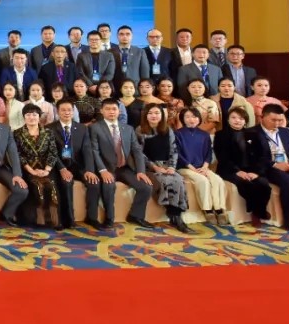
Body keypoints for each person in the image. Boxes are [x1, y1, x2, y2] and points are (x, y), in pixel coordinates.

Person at [90, 99, 155, 229]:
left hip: (124, 168)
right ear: (102, 111)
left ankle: (136, 216)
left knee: (146, 187)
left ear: (119, 111)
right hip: (107, 168)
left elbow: (137, 151)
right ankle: (109, 218)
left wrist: (141, 171)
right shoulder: (95, 128)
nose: (111, 112)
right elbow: (94, 151)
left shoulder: (128, 129)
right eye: (107, 109)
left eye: (114, 109)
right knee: (109, 186)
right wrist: (102, 171)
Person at [49, 99, 107, 229]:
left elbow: (87, 150)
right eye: (63, 110)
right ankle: (68, 220)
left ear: (73, 111)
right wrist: (62, 169)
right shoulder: (50, 128)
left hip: (78, 166)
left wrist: (89, 170)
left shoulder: (82, 128)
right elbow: (51, 152)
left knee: (94, 182)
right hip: (59, 167)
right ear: (57, 112)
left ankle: (92, 218)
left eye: (69, 110)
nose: (66, 113)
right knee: (66, 183)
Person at [137, 104, 191, 233]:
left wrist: (172, 167)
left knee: (178, 179)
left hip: (167, 166)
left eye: (157, 113)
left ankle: (176, 216)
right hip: (150, 167)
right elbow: (139, 153)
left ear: (162, 115)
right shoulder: (140, 130)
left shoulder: (168, 129)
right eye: (150, 113)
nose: (154, 116)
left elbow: (174, 150)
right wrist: (154, 167)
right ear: (145, 115)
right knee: (166, 181)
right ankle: (175, 216)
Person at [213, 108, 272, 224]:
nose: (237, 121)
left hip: (252, 170)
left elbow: (263, 155)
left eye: (241, 118)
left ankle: (259, 210)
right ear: (228, 119)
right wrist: (237, 171)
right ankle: (256, 212)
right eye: (234, 118)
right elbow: (223, 157)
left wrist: (256, 172)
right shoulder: (221, 135)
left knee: (264, 184)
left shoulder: (254, 134)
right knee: (246, 184)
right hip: (229, 170)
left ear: (245, 121)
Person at [174, 108, 229, 225]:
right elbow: (177, 153)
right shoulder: (177, 134)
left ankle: (219, 209)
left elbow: (208, 152)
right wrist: (191, 167)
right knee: (203, 181)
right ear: (183, 119)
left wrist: (205, 166)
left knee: (217, 180)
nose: (191, 119)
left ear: (199, 118)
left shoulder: (204, 135)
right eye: (187, 117)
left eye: (194, 116)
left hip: (202, 167)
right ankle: (208, 210)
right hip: (185, 167)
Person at [13, 103, 62, 228]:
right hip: (27, 169)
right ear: (24, 117)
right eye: (28, 115)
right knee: (37, 188)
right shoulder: (17, 133)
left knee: (51, 187)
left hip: (47, 169)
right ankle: (39, 221)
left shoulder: (48, 132)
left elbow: (53, 152)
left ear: (39, 116)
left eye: (34, 114)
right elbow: (18, 155)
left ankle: (54, 221)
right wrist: (32, 171)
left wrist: (47, 170)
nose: (31, 117)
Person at [76, 30, 115, 96]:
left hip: (104, 89)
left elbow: (110, 74)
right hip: (87, 88)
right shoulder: (81, 56)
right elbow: (80, 73)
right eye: (91, 39)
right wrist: (90, 85)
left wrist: (99, 86)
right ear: (88, 41)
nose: (94, 41)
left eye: (96, 39)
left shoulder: (109, 55)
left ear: (101, 41)